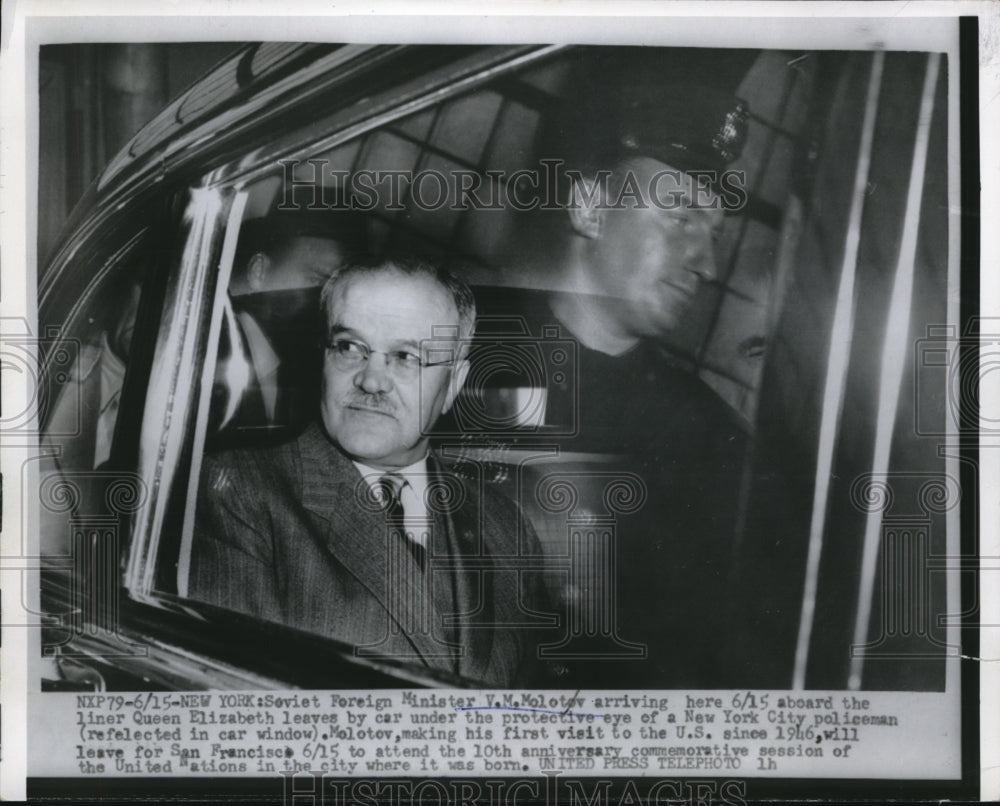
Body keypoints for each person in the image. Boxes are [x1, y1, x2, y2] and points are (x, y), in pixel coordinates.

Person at [473, 49, 756, 687]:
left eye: (714, 233)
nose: (706, 264)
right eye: (681, 217)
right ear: (591, 209)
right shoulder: (447, 367)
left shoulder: (716, 444)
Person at [190, 256, 551, 686]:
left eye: (405, 356)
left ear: (453, 383)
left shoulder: (505, 526)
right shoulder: (236, 494)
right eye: (349, 348)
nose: (372, 380)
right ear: (322, 357)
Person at [219, 198, 368, 431]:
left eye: (337, 291)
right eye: (316, 280)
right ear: (258, 271)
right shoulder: (212, 351)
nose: (327, 305)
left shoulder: (297, 372)